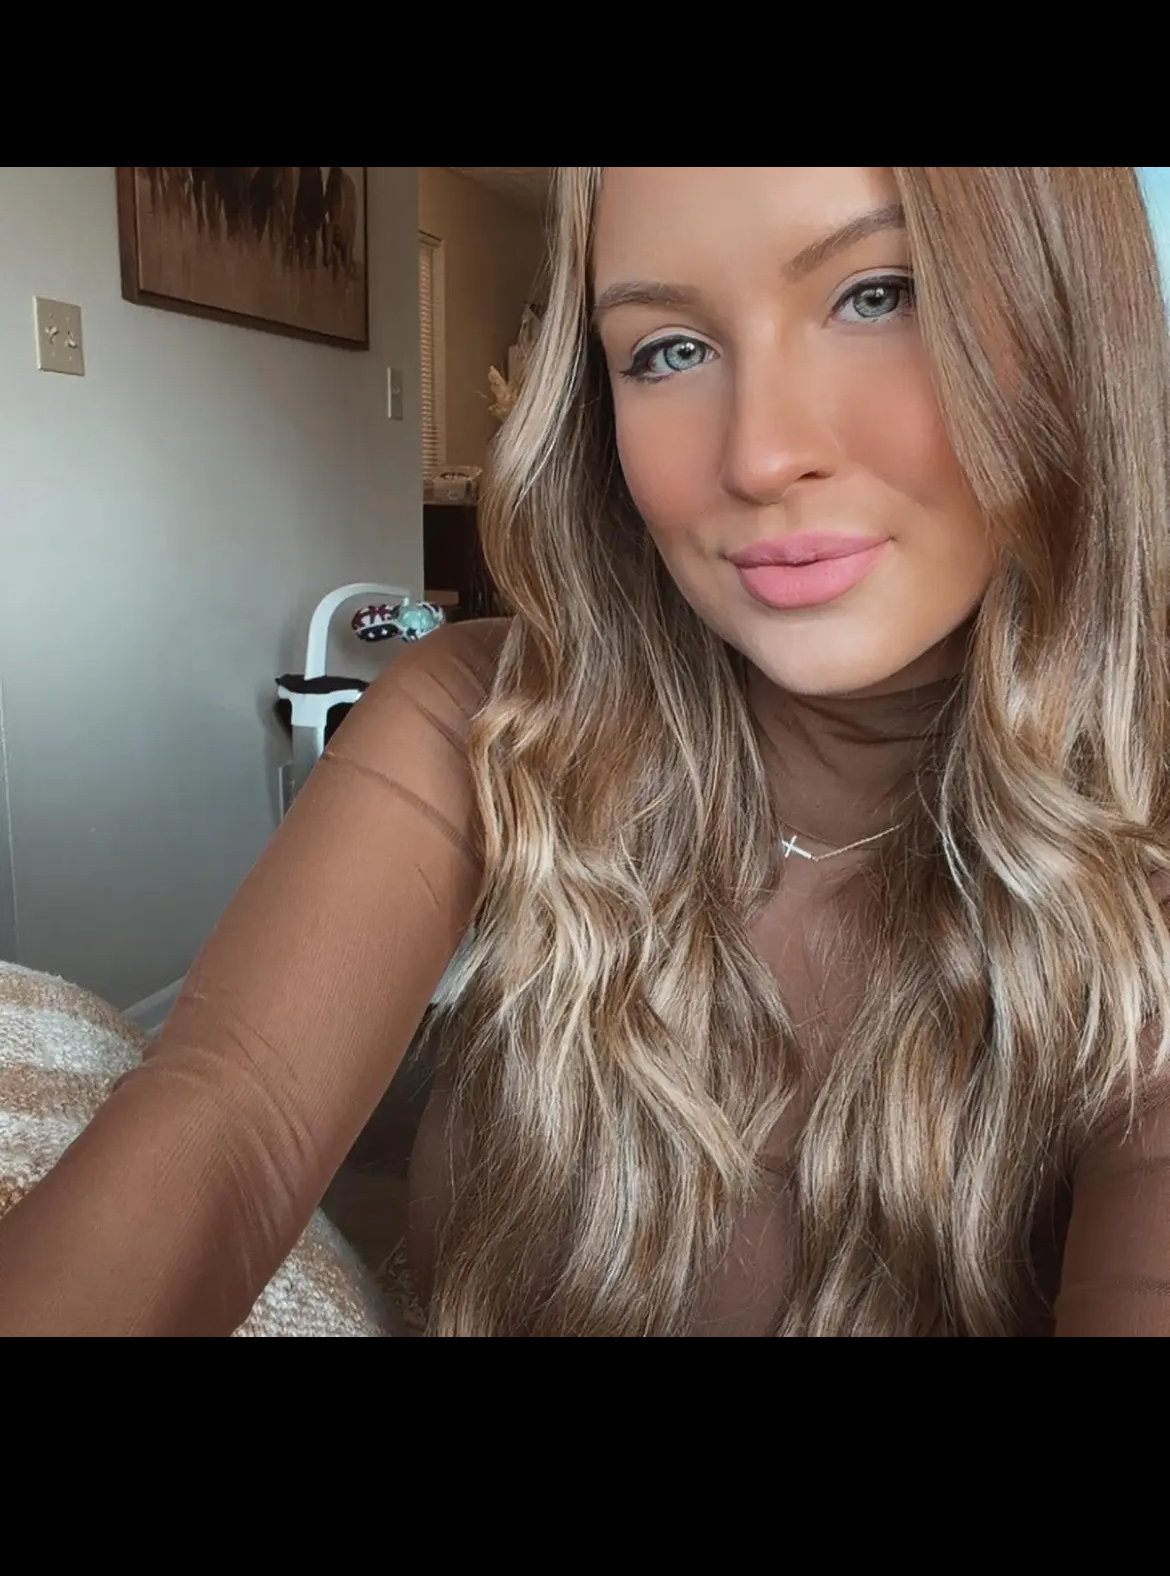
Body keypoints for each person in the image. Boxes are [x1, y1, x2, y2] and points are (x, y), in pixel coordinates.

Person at [3, 166, 1170, 1337]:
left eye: (879, 295)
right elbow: (229, 1126)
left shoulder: (1143, 849)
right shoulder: (489, 713)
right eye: (668, 349)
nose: (760, 455)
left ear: (1069, 312)